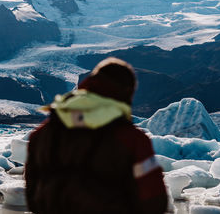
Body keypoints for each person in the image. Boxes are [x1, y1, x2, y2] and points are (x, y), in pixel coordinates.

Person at [25, 57, 168, 214]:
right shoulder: (131, 139)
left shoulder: (42, 134)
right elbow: (154, 200)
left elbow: (32, 191)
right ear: (126, 92)